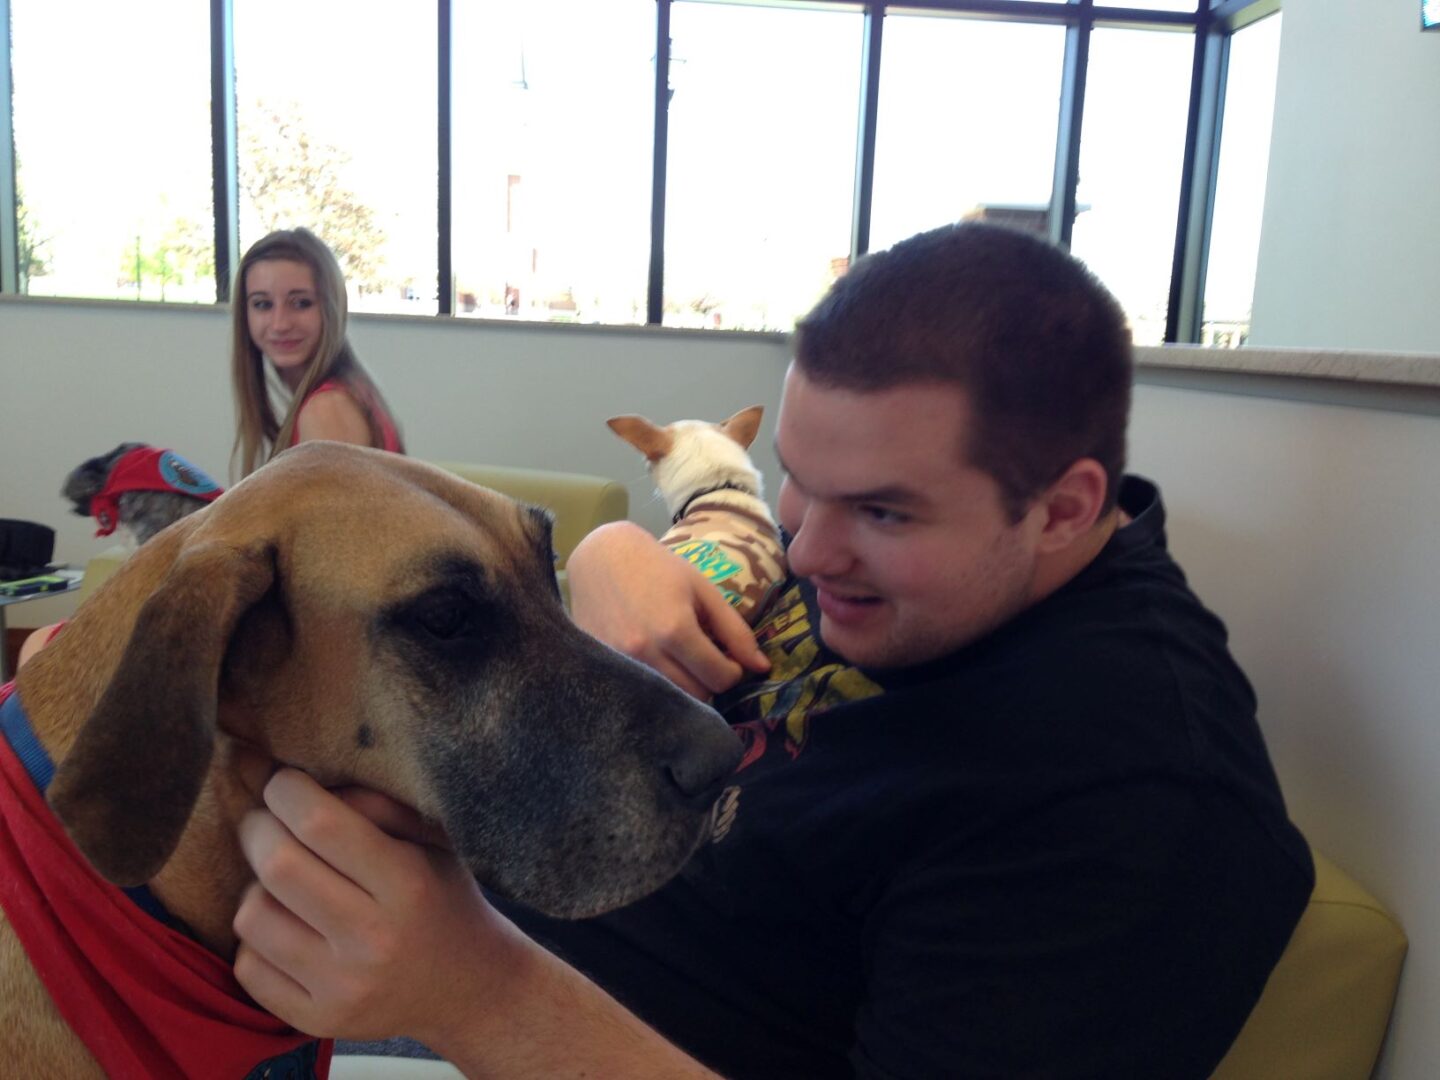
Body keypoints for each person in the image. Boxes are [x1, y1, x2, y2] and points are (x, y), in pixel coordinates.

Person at [230, 223, 1315, 1078]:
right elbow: (729, 587)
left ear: (1066, 507)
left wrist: (468, 990)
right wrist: (612, 554)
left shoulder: (1133, 803)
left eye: (883, 513)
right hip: (475, 906)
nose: (805, 543)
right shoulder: (915, 592)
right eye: (797, 476)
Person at [231, 227, 403, 478]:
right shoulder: (343, 391)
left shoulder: (327, 410)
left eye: (301, 303)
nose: (280, 324)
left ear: (332, 308)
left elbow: (338, 518)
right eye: (263, 304)